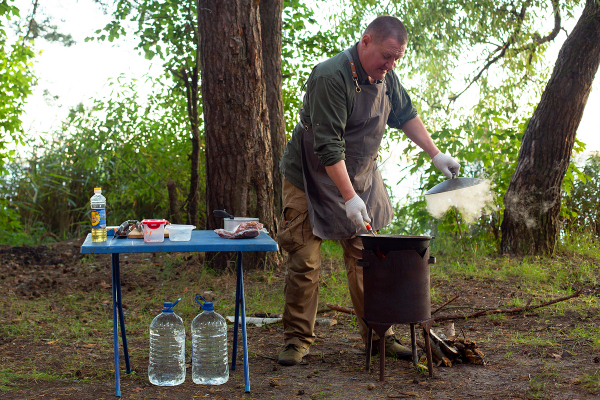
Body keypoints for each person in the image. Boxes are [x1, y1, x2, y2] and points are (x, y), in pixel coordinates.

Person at [276, 15, 461, 366]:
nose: (390, 65)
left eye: (397, 59)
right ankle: (297, 340)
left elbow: (405, 114)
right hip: (310, 177)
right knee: (306, 262)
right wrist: (348, 198)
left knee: (368, 261)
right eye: (386, 56)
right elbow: (328, 147)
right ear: (365, 42)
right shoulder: (331, 77)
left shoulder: (386, 76)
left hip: (360, 175)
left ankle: (380, 337)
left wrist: (436, 154)